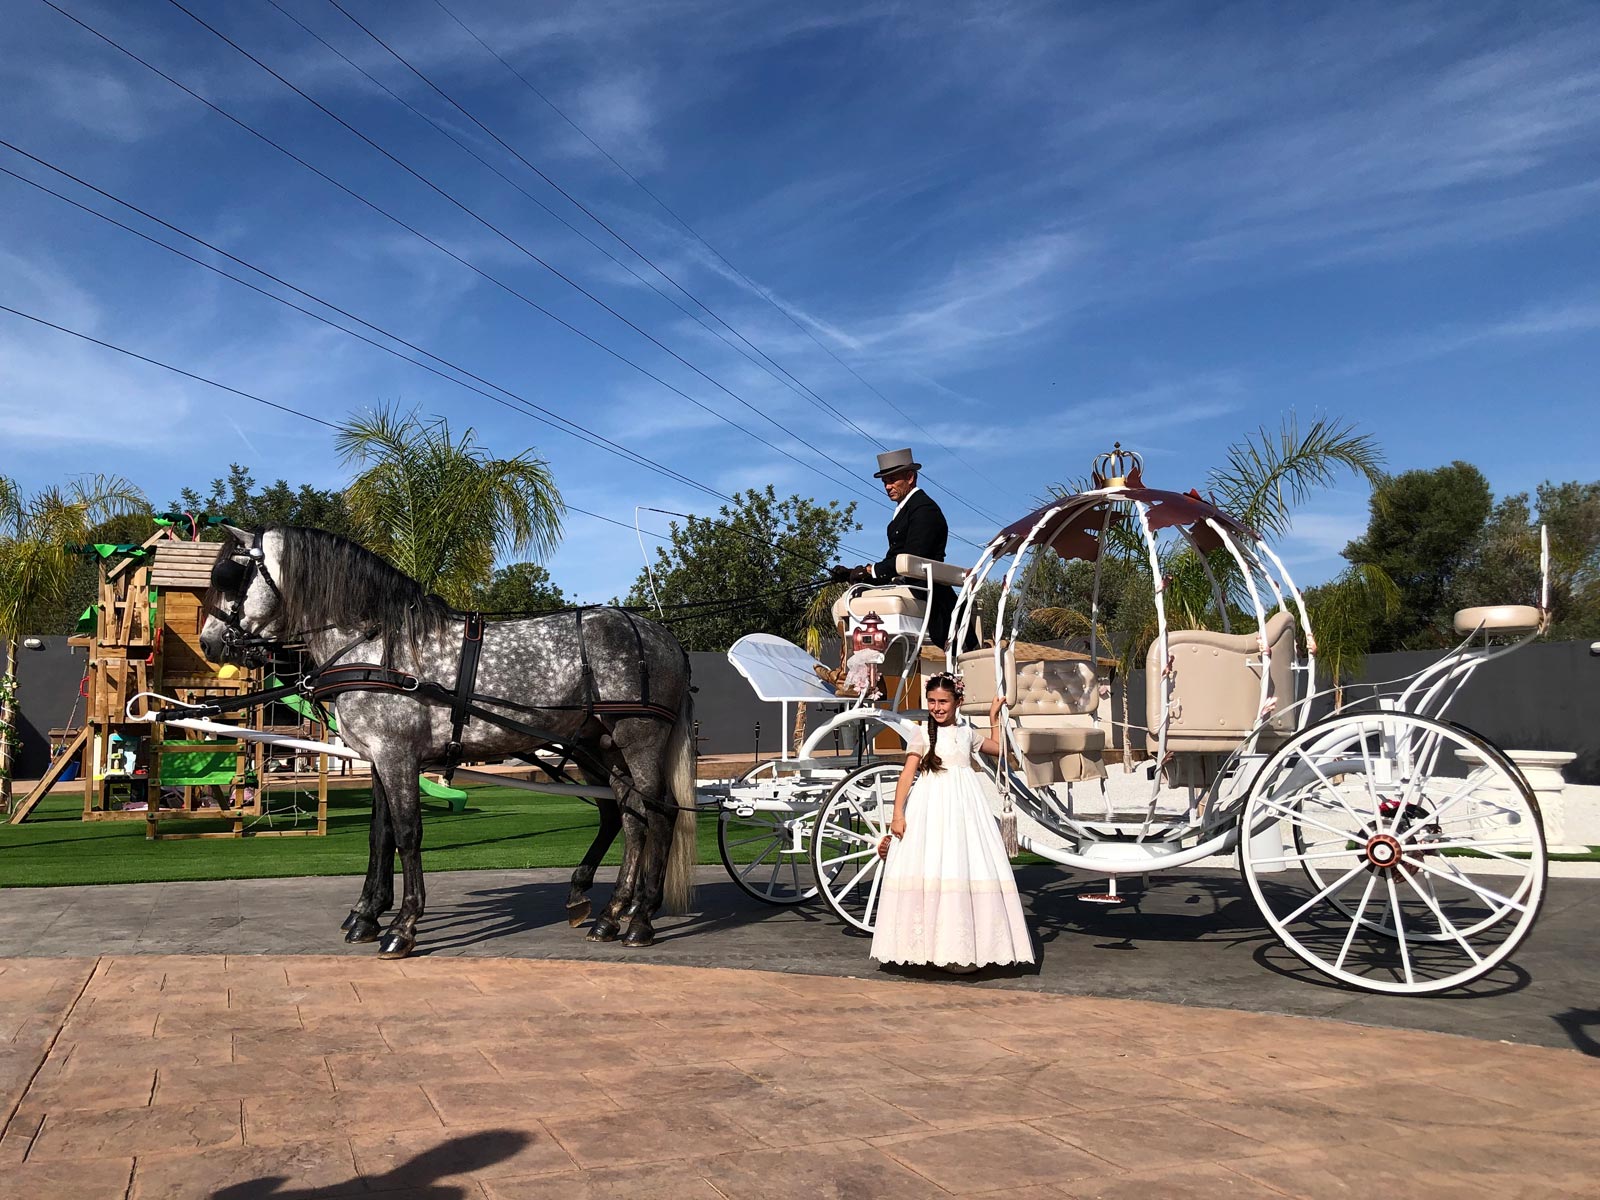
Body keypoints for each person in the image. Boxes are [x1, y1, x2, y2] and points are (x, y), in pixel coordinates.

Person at [870, 672, 1034, 974]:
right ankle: (928, 948)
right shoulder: (921, 734)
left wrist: (993, 718)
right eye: (932, 701)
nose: (937, 707)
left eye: (943, 701)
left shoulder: (967, 733)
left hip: (964, 808)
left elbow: (999, 749)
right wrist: (898, 813)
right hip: (930, 807)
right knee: (932, 866)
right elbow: (907, 775)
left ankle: (962, 947)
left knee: (962, 864)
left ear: (958, 701)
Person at [830, 448, 959, 647]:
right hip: (905, 583)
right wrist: (855, 573)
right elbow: (895, 559)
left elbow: (912, 558)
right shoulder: (906, 509)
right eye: (885, 482)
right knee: (843, 602)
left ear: (910, 477)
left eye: (892, 480)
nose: (888, 487)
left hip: (923, 589)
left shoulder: (924, 510)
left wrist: (870, 571)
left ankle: (859, 655)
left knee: (847, 601)